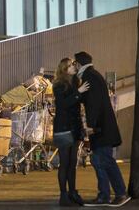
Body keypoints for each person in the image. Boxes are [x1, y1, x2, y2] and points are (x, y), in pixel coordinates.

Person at [74, 51, 131, 207]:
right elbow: (87, 99)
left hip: (100, 128)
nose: (73, 67)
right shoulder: (93, 75)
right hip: (103, 127)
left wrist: (91, 126)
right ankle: (108, 194)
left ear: (79, 64)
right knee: (102, 160)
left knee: (102, 160)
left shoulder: (89, 77)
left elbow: (93, 103)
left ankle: (115, 194)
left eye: (74, 64)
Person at [53, 57, 90, 206]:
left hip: (75, 127)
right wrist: (78, 92)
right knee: (65, 162)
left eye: (73, 64)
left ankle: (73, 192)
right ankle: (63, 195)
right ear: (64, 69)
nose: (74, 67)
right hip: (63, 127)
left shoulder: (75, 82)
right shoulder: (59, 85)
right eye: (70, 65)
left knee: (73, 162)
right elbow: (63, 105)